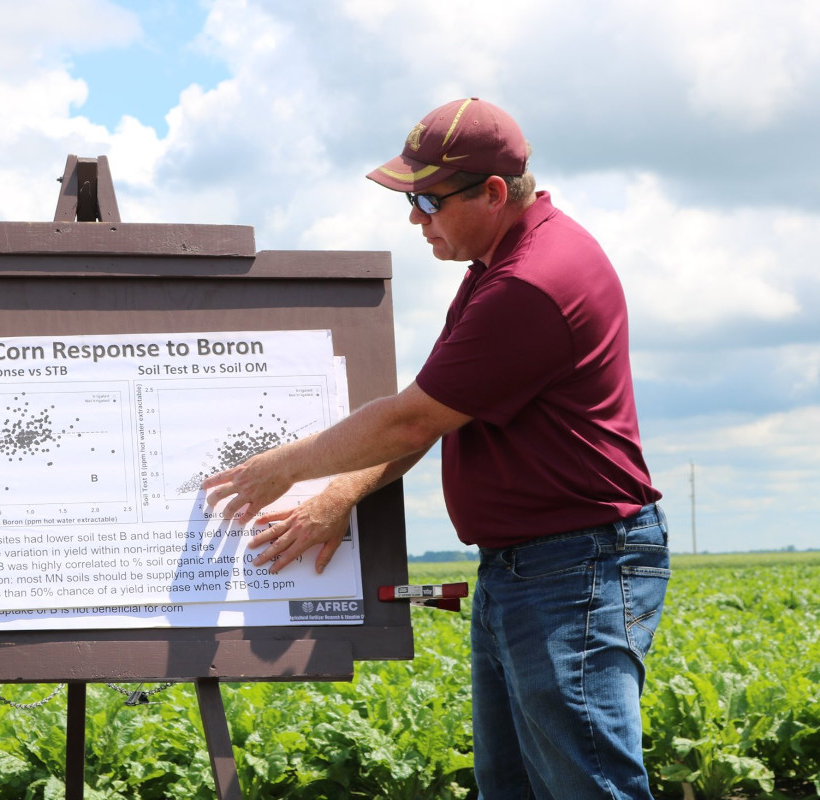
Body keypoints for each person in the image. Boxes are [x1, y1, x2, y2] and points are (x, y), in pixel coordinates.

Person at [202, 97, 670, 799]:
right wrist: (341, 493)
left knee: (588, 786)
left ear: (490, 192)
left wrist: (283, 467)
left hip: (575, 569)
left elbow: (410, 421)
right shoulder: (497, 266)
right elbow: (439, 412)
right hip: (536, 568)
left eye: (426, 199)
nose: (415, 219)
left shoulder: (529, 284)